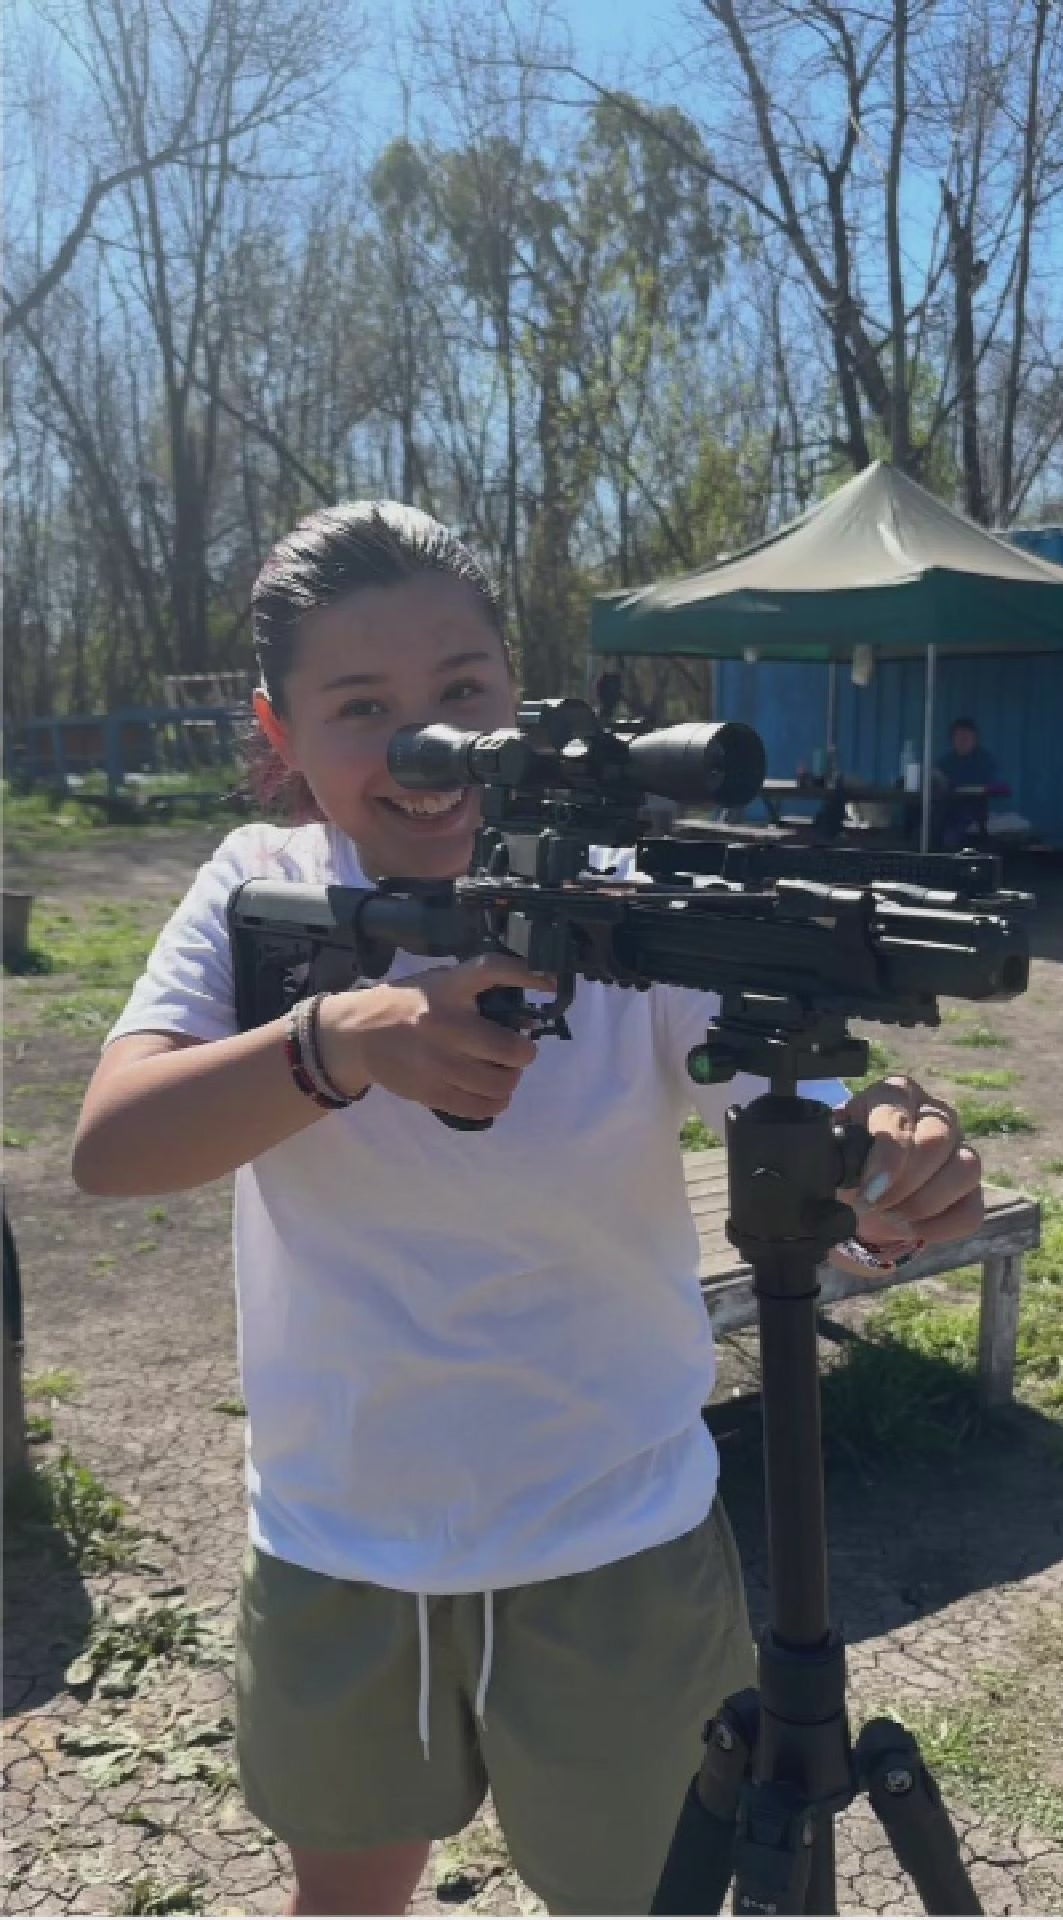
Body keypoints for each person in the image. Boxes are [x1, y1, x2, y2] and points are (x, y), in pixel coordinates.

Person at [72, 503, 984, 1918]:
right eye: (362, 707)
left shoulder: (636, 903)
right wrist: (339, 1044)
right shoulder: (260, 885)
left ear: (522, 694)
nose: (428, 747)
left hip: (613, 1540)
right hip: (340, 1535)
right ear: (280, 730)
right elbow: (113, 1146)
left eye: (463, 691)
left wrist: (892, 1162)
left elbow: (808, 1114)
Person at [932, 717, 1001, 850]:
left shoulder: (984, 760)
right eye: (959, 738)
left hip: (973, 808)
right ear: (952, 740)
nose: (962, 742)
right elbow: (937, 779)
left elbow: (988, 784)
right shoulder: (946, 761)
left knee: (952, 833)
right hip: (946, 806)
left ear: (975, 740)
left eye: (967, 738)